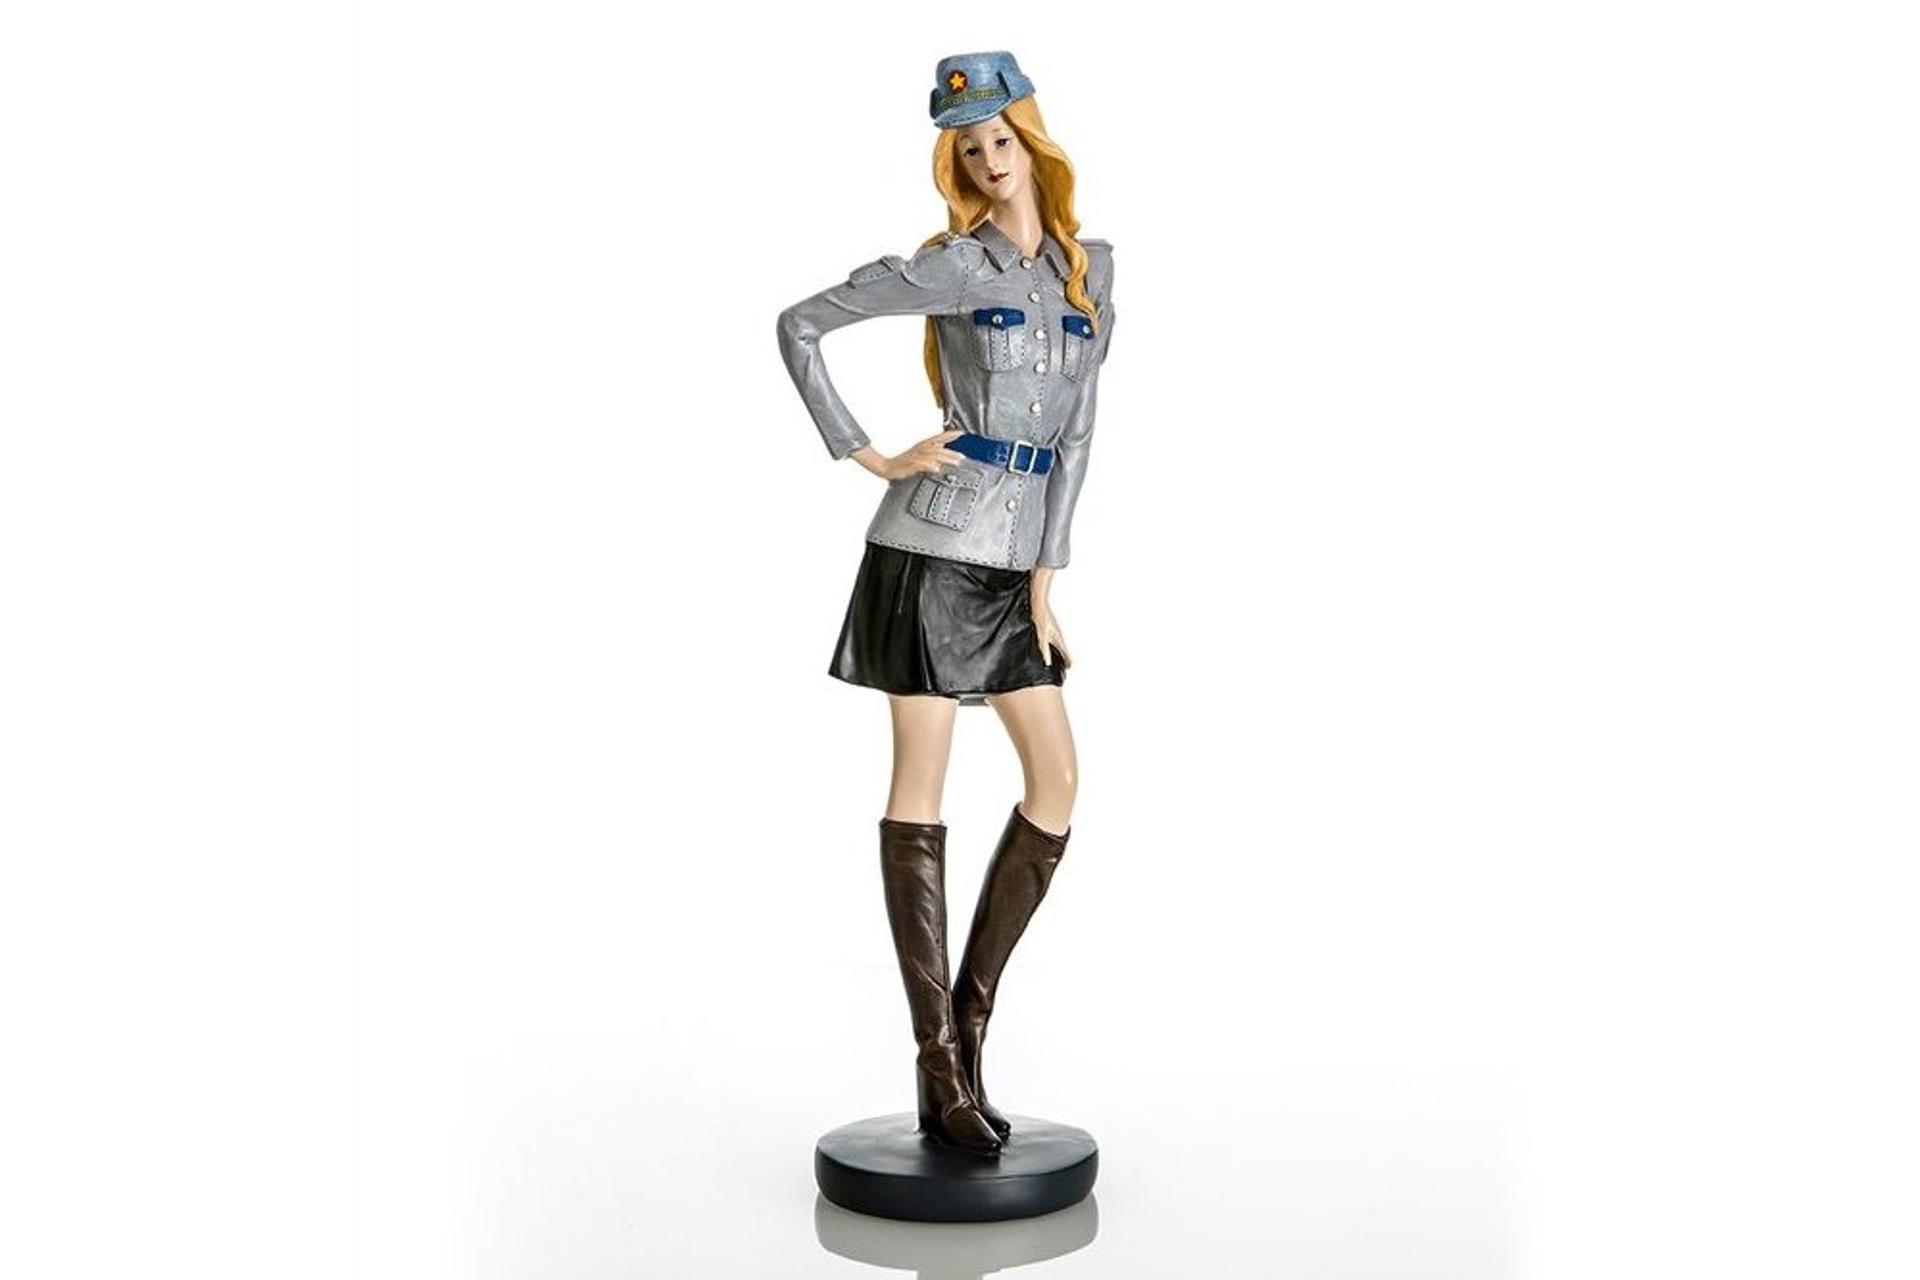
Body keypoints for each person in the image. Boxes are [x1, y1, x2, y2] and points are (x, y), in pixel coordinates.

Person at [776, 51, 1116, 1157]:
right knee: (919, 787)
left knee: (1057, 784)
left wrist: (1046, 582)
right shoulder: (953, 266)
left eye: (1000, 139)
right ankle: (938, 1067)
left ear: (1032, 140)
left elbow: (1076, 437)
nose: (988, 160)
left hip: (1013, 566)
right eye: (969, 149)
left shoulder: (1088, 274)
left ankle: (970, 1026)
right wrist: (870, 454)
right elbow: (799, 324)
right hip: (928, 549)